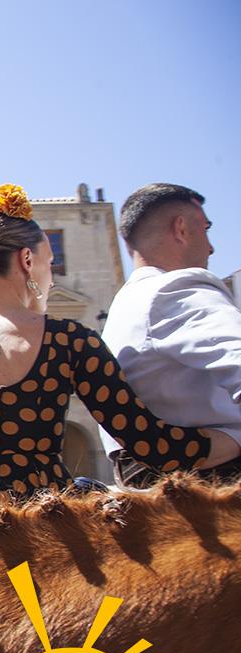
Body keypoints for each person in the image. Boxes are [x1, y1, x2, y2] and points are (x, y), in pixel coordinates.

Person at [0, 184, 240, 558]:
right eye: (49, 263)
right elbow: (151, 444)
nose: (51, 276)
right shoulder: (72, 342)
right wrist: (234, 436)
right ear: (26, 261)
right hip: (38, 522)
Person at [99, 183, 241, 486]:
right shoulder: (175, 289)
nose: (212, 246)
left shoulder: (124, 306)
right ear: (181, 228)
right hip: (214, 482)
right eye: (206, 227)